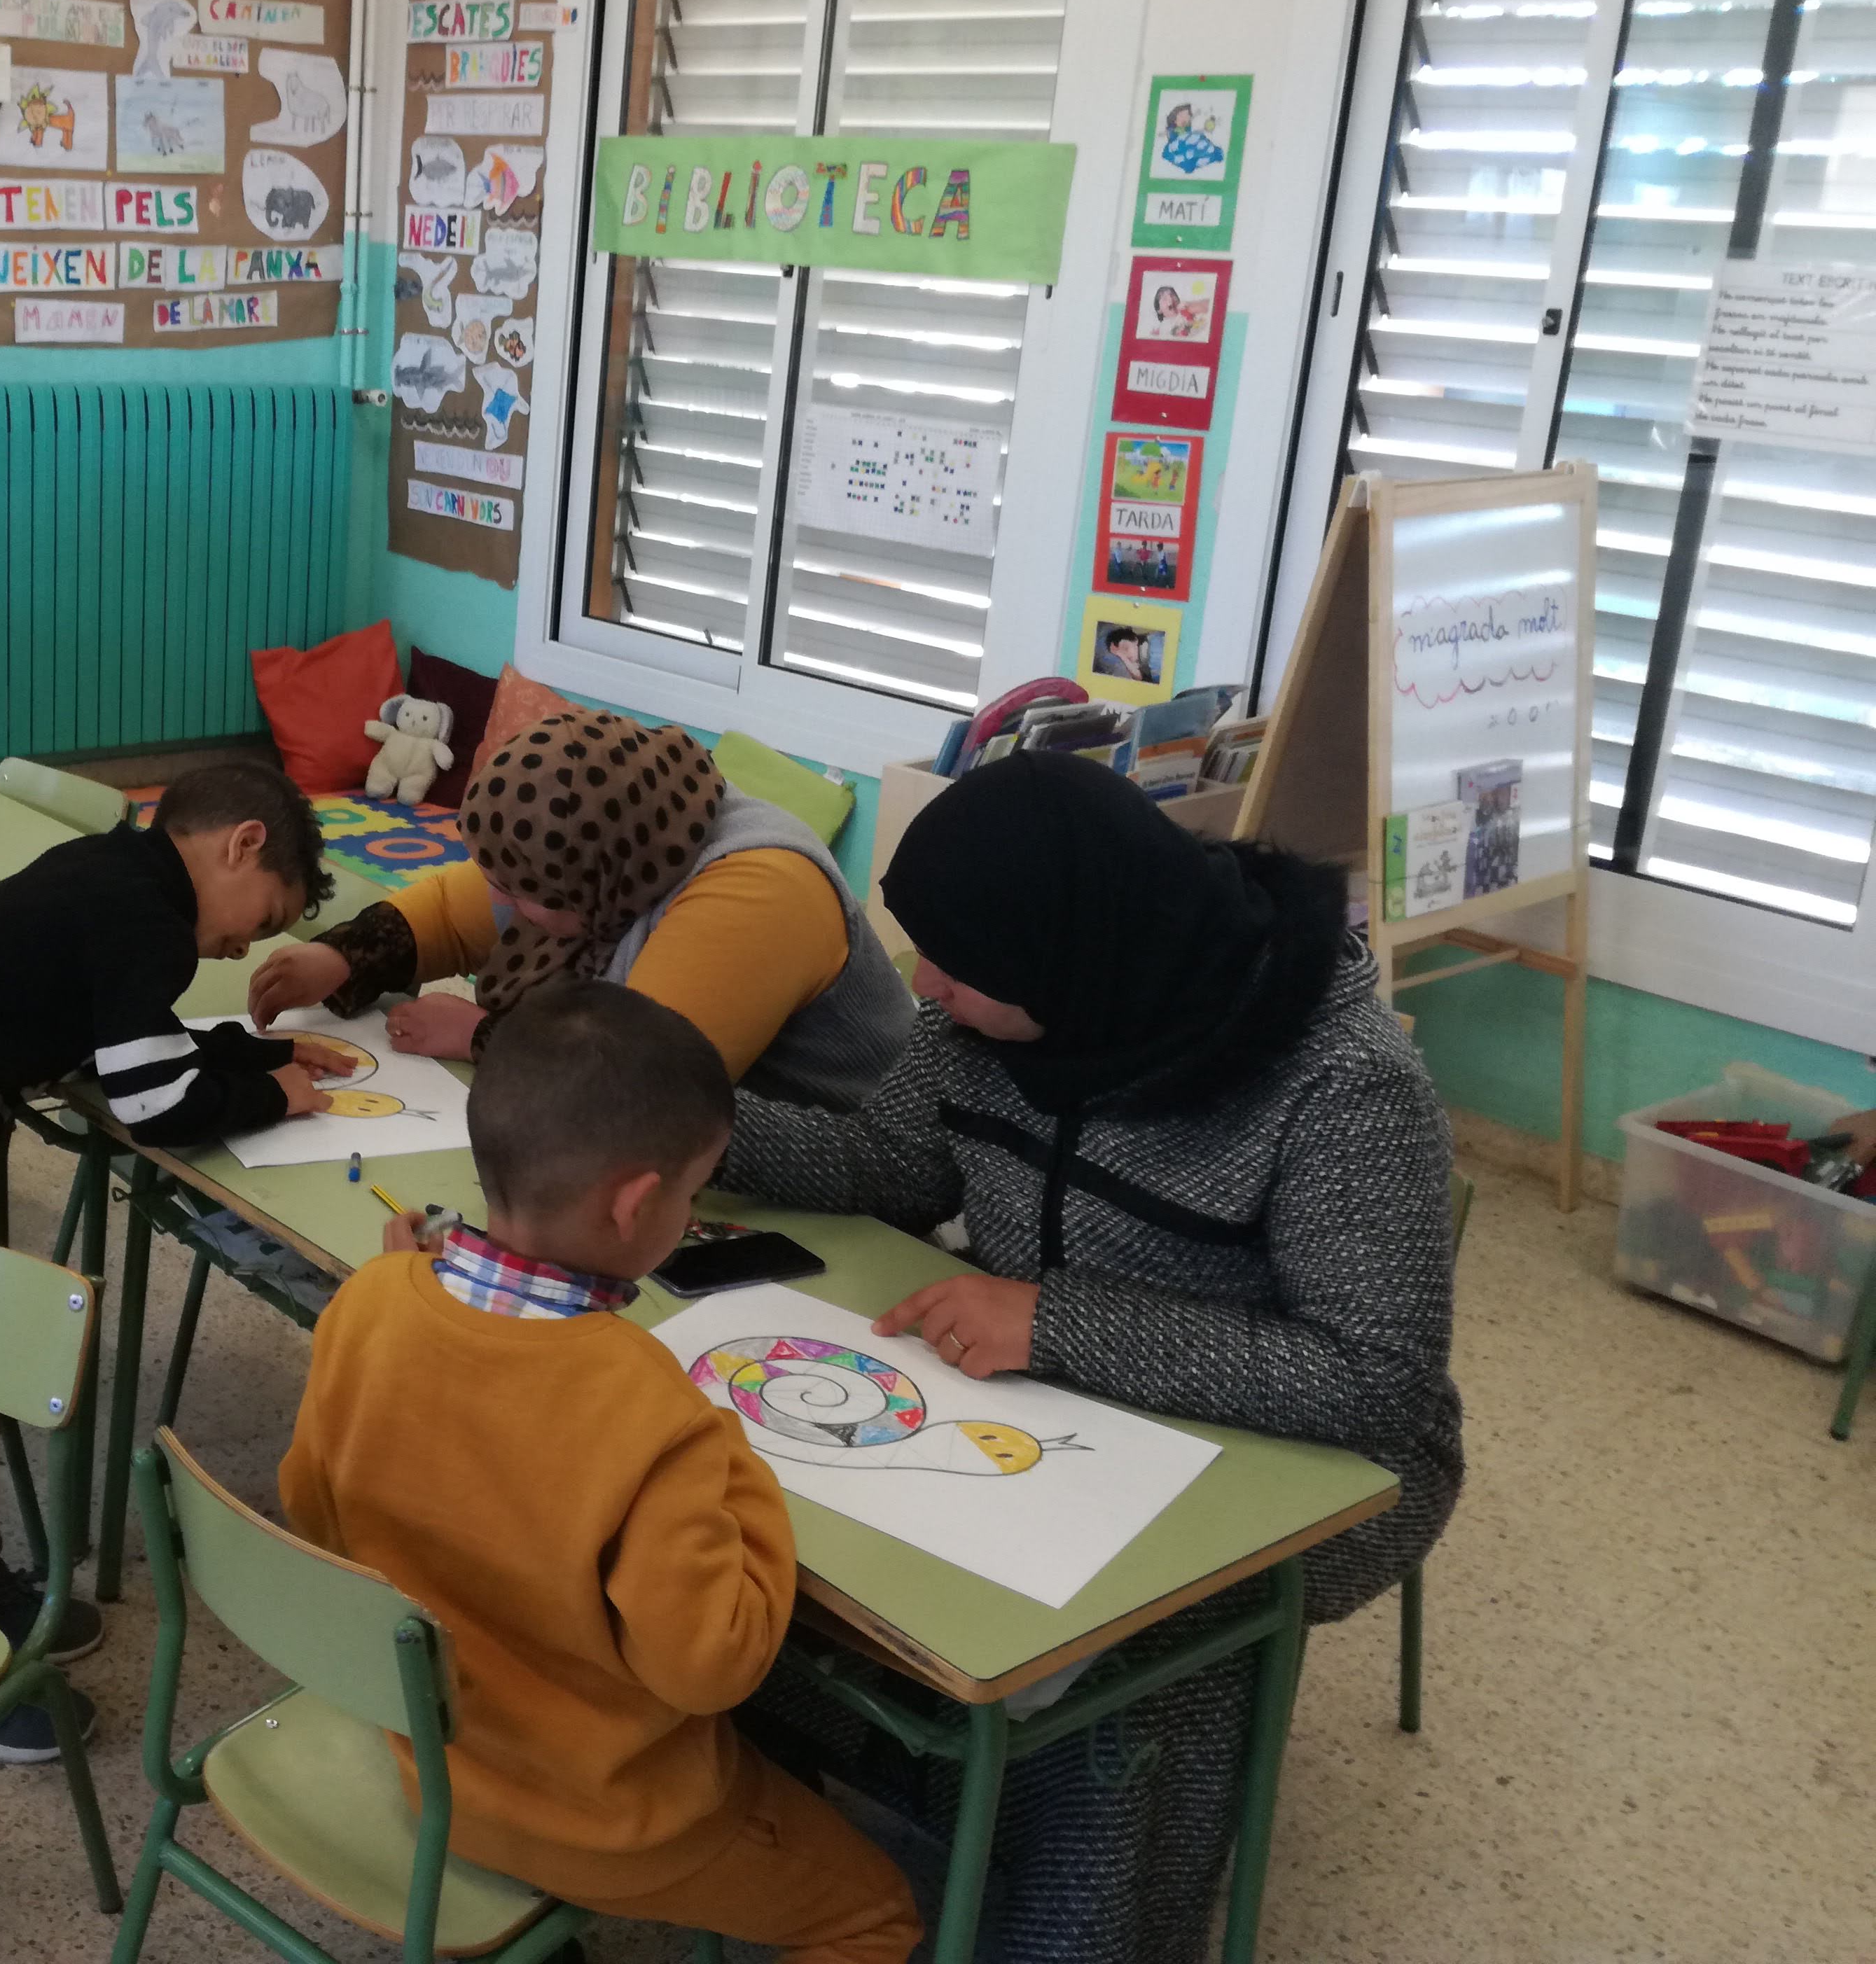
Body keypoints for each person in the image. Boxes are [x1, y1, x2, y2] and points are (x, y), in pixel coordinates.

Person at [716, 751, 1464, 1964]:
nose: (926, 986)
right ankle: (873, 1810)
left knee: (1140, 1674)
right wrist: (701, 1123)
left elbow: (1377, 1375)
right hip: (1066, 1403)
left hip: (1321, 1459)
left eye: (956, 964)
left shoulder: (1343, 1082)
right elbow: (894, 1167)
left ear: (1069, 954)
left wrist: (1056, 1323)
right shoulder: (1002, 1001)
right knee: (766, 1533)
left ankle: (1082, 1920)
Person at [279, 980, 922, 1964]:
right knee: (877, 1916)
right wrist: (728, 1460)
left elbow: (311, 1513)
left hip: (428, 1754)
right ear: (634, 1204)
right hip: (605, 1818)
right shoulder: (650, 1414)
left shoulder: (370, 1300)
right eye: (691, 1192)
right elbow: (712, 1666)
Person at [0, 762, 352, 1763]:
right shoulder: (152, 925)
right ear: (242, 845)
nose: (244, 947)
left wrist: (260, 1058)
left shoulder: (112, 873)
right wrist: (276, 1099)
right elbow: (154, 1104)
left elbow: (118, 1040)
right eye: (263, 920)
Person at [249, 711, 912, 1106]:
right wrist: (343, 956)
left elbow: (642, 1086)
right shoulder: (627, 831)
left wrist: (482, 1036)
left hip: (855, 1199)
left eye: (521, 890)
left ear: (589, 882)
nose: (500, 900)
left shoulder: (759, 891)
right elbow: (457, 910)